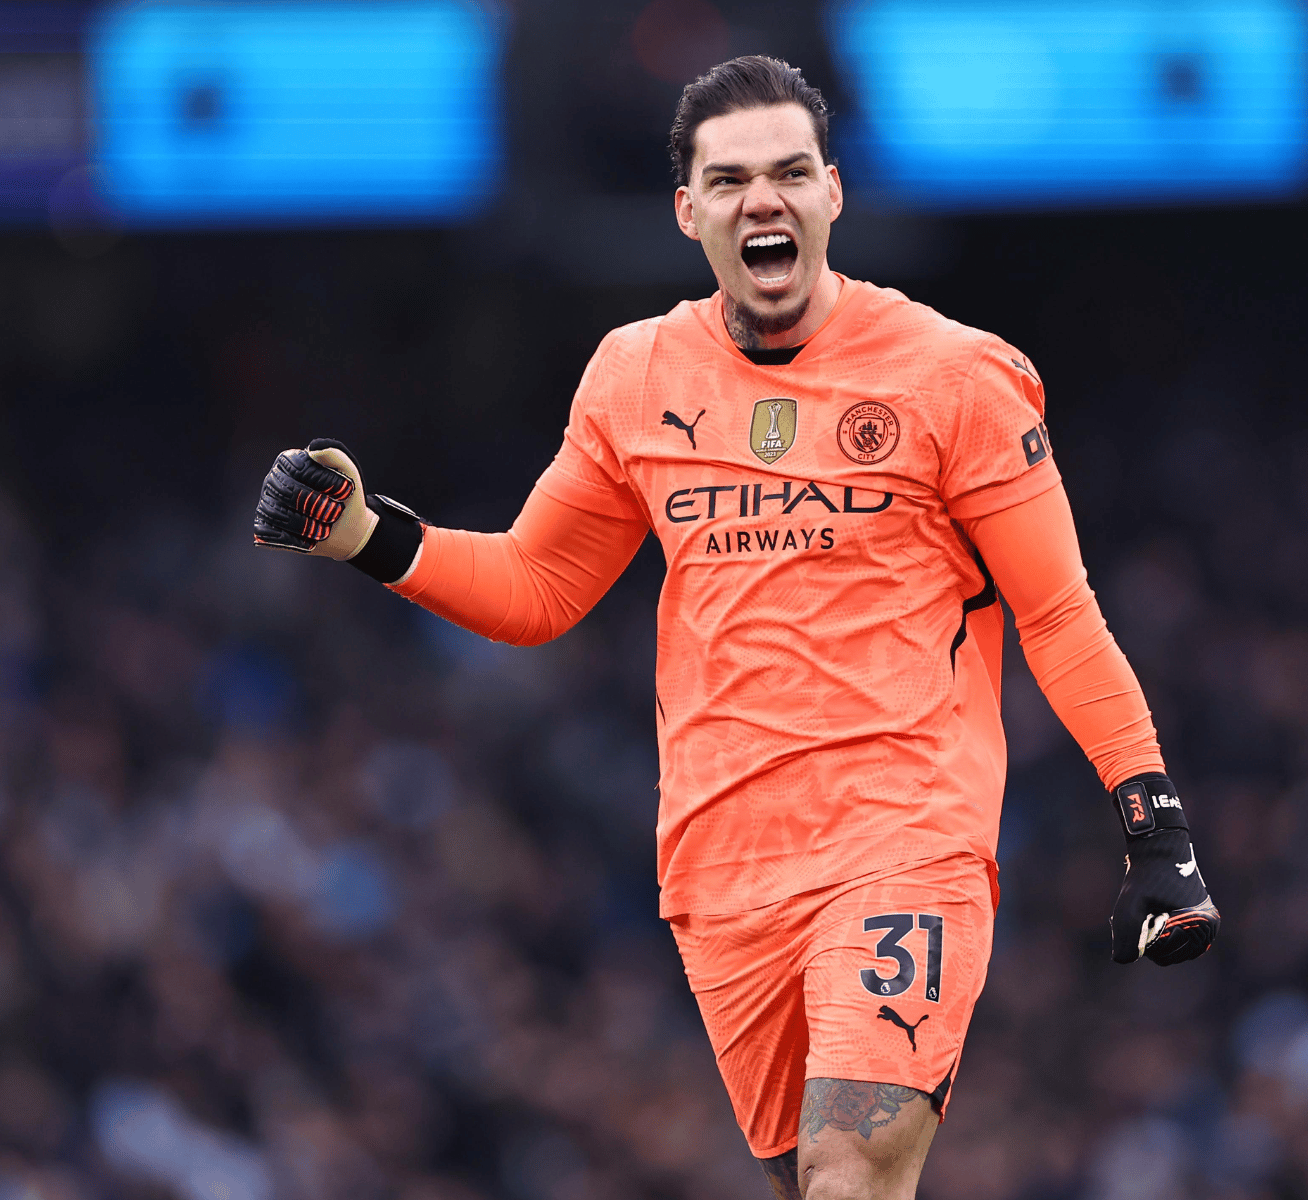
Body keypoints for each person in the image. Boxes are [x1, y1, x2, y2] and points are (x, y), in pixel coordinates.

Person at [251, 56, 1217, 1200]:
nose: (764, 198)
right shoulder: (634, 375)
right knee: (811, 1185)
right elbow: (538, 586)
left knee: (849, 1171)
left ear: (832, 193)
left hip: (900, 837)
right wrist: (368, 537)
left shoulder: (955, 377)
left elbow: (1056, 613)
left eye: (791, 172)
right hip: (720, 868)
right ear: (687, 210)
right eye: (731, 179)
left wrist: (1153, 828)